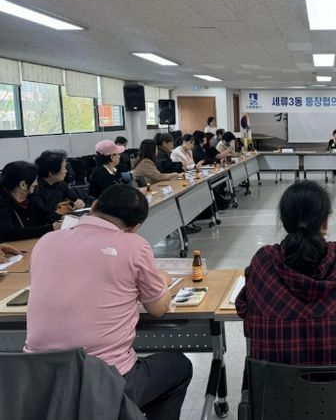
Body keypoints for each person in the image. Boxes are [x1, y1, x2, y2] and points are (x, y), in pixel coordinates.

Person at [25, 185, 192, 420]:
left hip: (38, 384)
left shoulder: (46, 241)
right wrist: (161, 279)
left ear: (93, 206)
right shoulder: (133, 245)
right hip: (104, 383)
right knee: (179, 366)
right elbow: (158, 308)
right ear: (135, 227)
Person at [236, 180, 336, 365]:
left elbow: (244, 309)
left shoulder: (263, 261)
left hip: (272, 383)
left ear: (283, 221)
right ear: (325, 222)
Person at [0, 161, 59, 242]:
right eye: (35, 180)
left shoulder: (31, 198)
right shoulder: (2, 203)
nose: (36, 183)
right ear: (23, 185)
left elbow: (45, 217)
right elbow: (7, 233)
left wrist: (60, 219)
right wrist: (49, 228)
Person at [32, 150, 87, 222]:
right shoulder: (36, 189)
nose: (66, 171)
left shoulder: (61, 184)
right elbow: (42, 217)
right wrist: (59, 213)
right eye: (64, 168)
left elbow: (74, 198)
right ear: (51, 173)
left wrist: (79, 202)